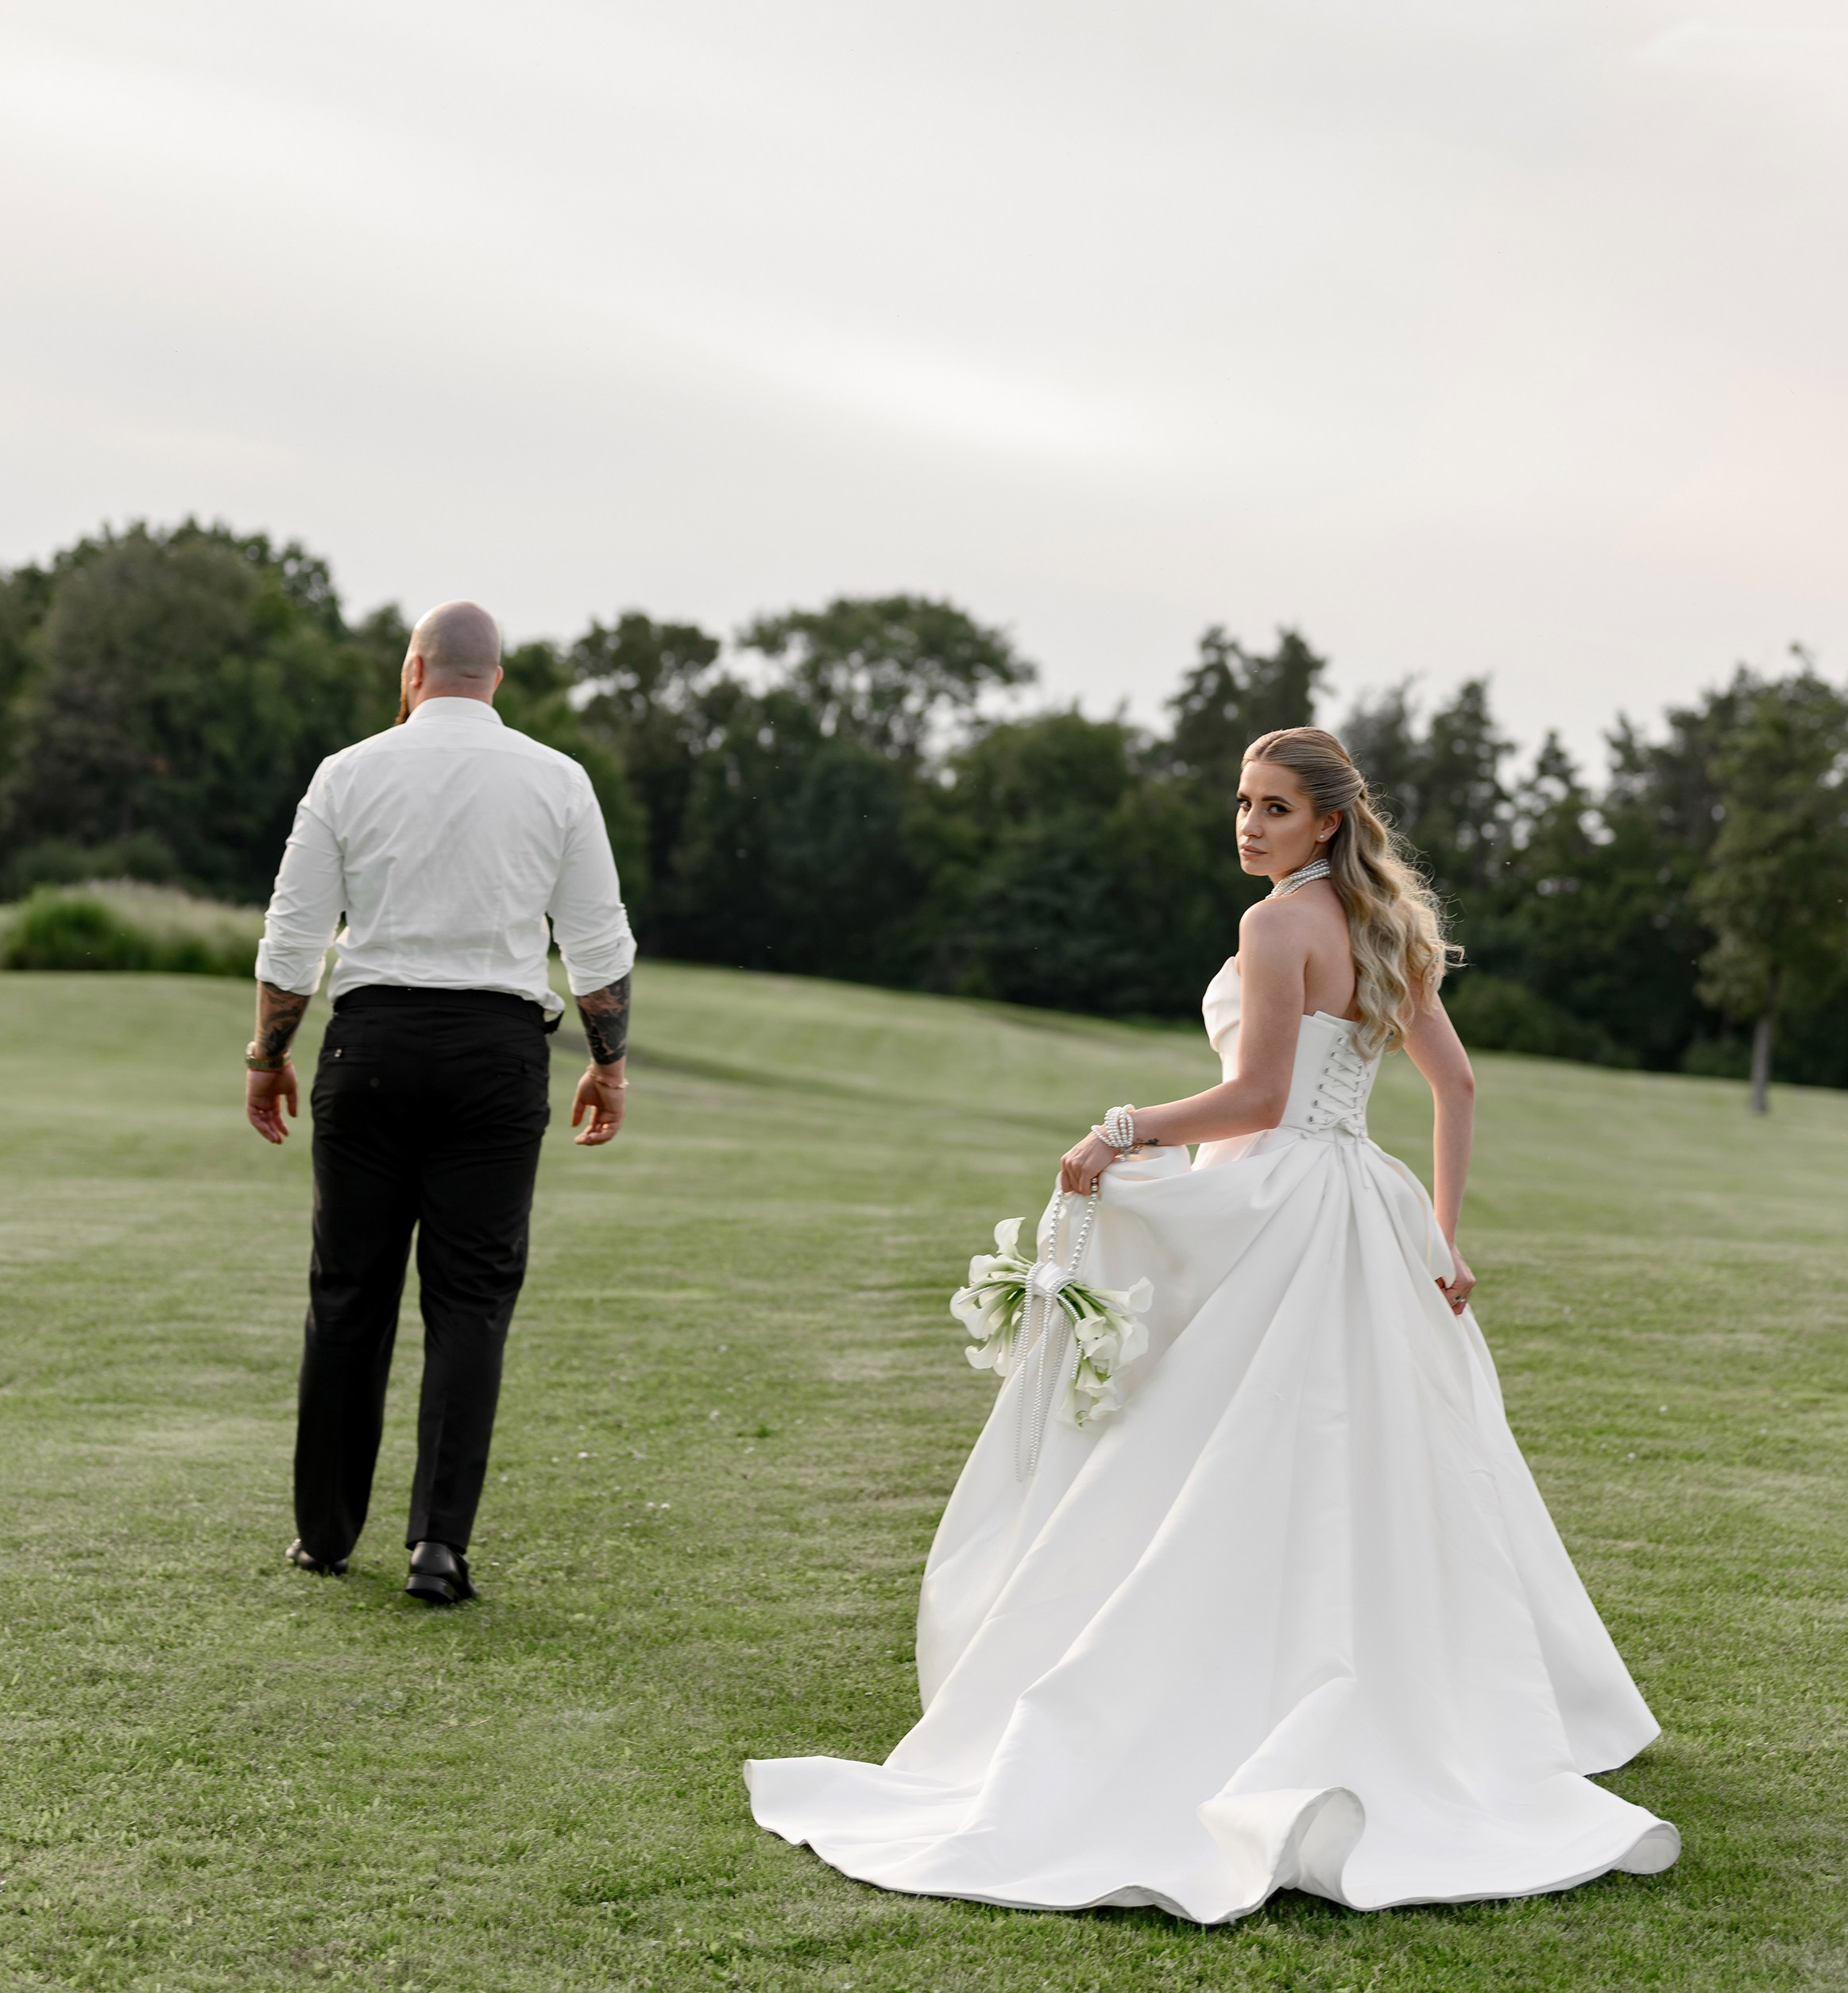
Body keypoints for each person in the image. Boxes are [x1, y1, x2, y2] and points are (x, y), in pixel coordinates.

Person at [747, 726, 1678, 1917]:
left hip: (1287, 1200)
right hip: (1364, 1210)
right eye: (1241, 802)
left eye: (1274, 807)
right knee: (1367, 1461)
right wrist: (1441, 1238)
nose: (1248, 825)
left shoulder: (1278, 925)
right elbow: (1456, 1087)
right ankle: (1408, 1700)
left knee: (1208, 1449)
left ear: (1326, 821)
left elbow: (1255, 1098)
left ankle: (1217, 1687)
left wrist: (1121, 1128)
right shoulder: (1382, 927)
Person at [245, 600, 635, 1605]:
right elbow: (597, 947)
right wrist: (610, 1063)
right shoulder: (558, 779)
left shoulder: (348, 772)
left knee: (349, 1294)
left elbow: (293, 938)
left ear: (413, 671)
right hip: (496, 1058)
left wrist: (266, 1055)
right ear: (494, 680)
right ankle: (438, 1549)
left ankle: (326, 1536)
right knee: (471, 1305)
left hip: (370, 1046)